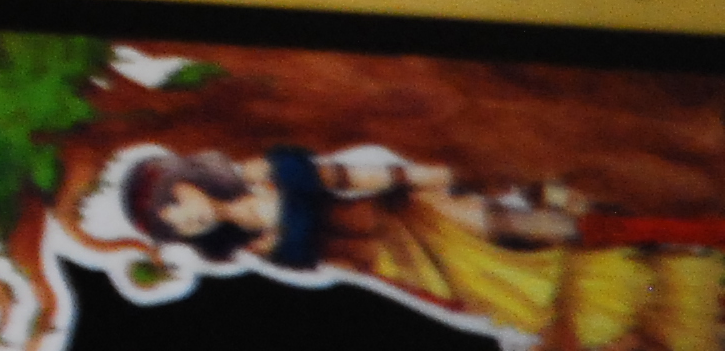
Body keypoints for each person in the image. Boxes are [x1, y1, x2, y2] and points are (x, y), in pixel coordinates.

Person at [113, 143, 725, 350]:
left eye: (176, 206)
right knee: (537, 303)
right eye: (176, 227)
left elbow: (345, 176)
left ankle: (692, 236)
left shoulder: (259, 173)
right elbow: (343, 273)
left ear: (186, 183)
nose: (187, 220)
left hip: (414, 217)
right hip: (404, 268)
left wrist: (424, 175)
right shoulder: (256, 250)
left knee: (544, 228)